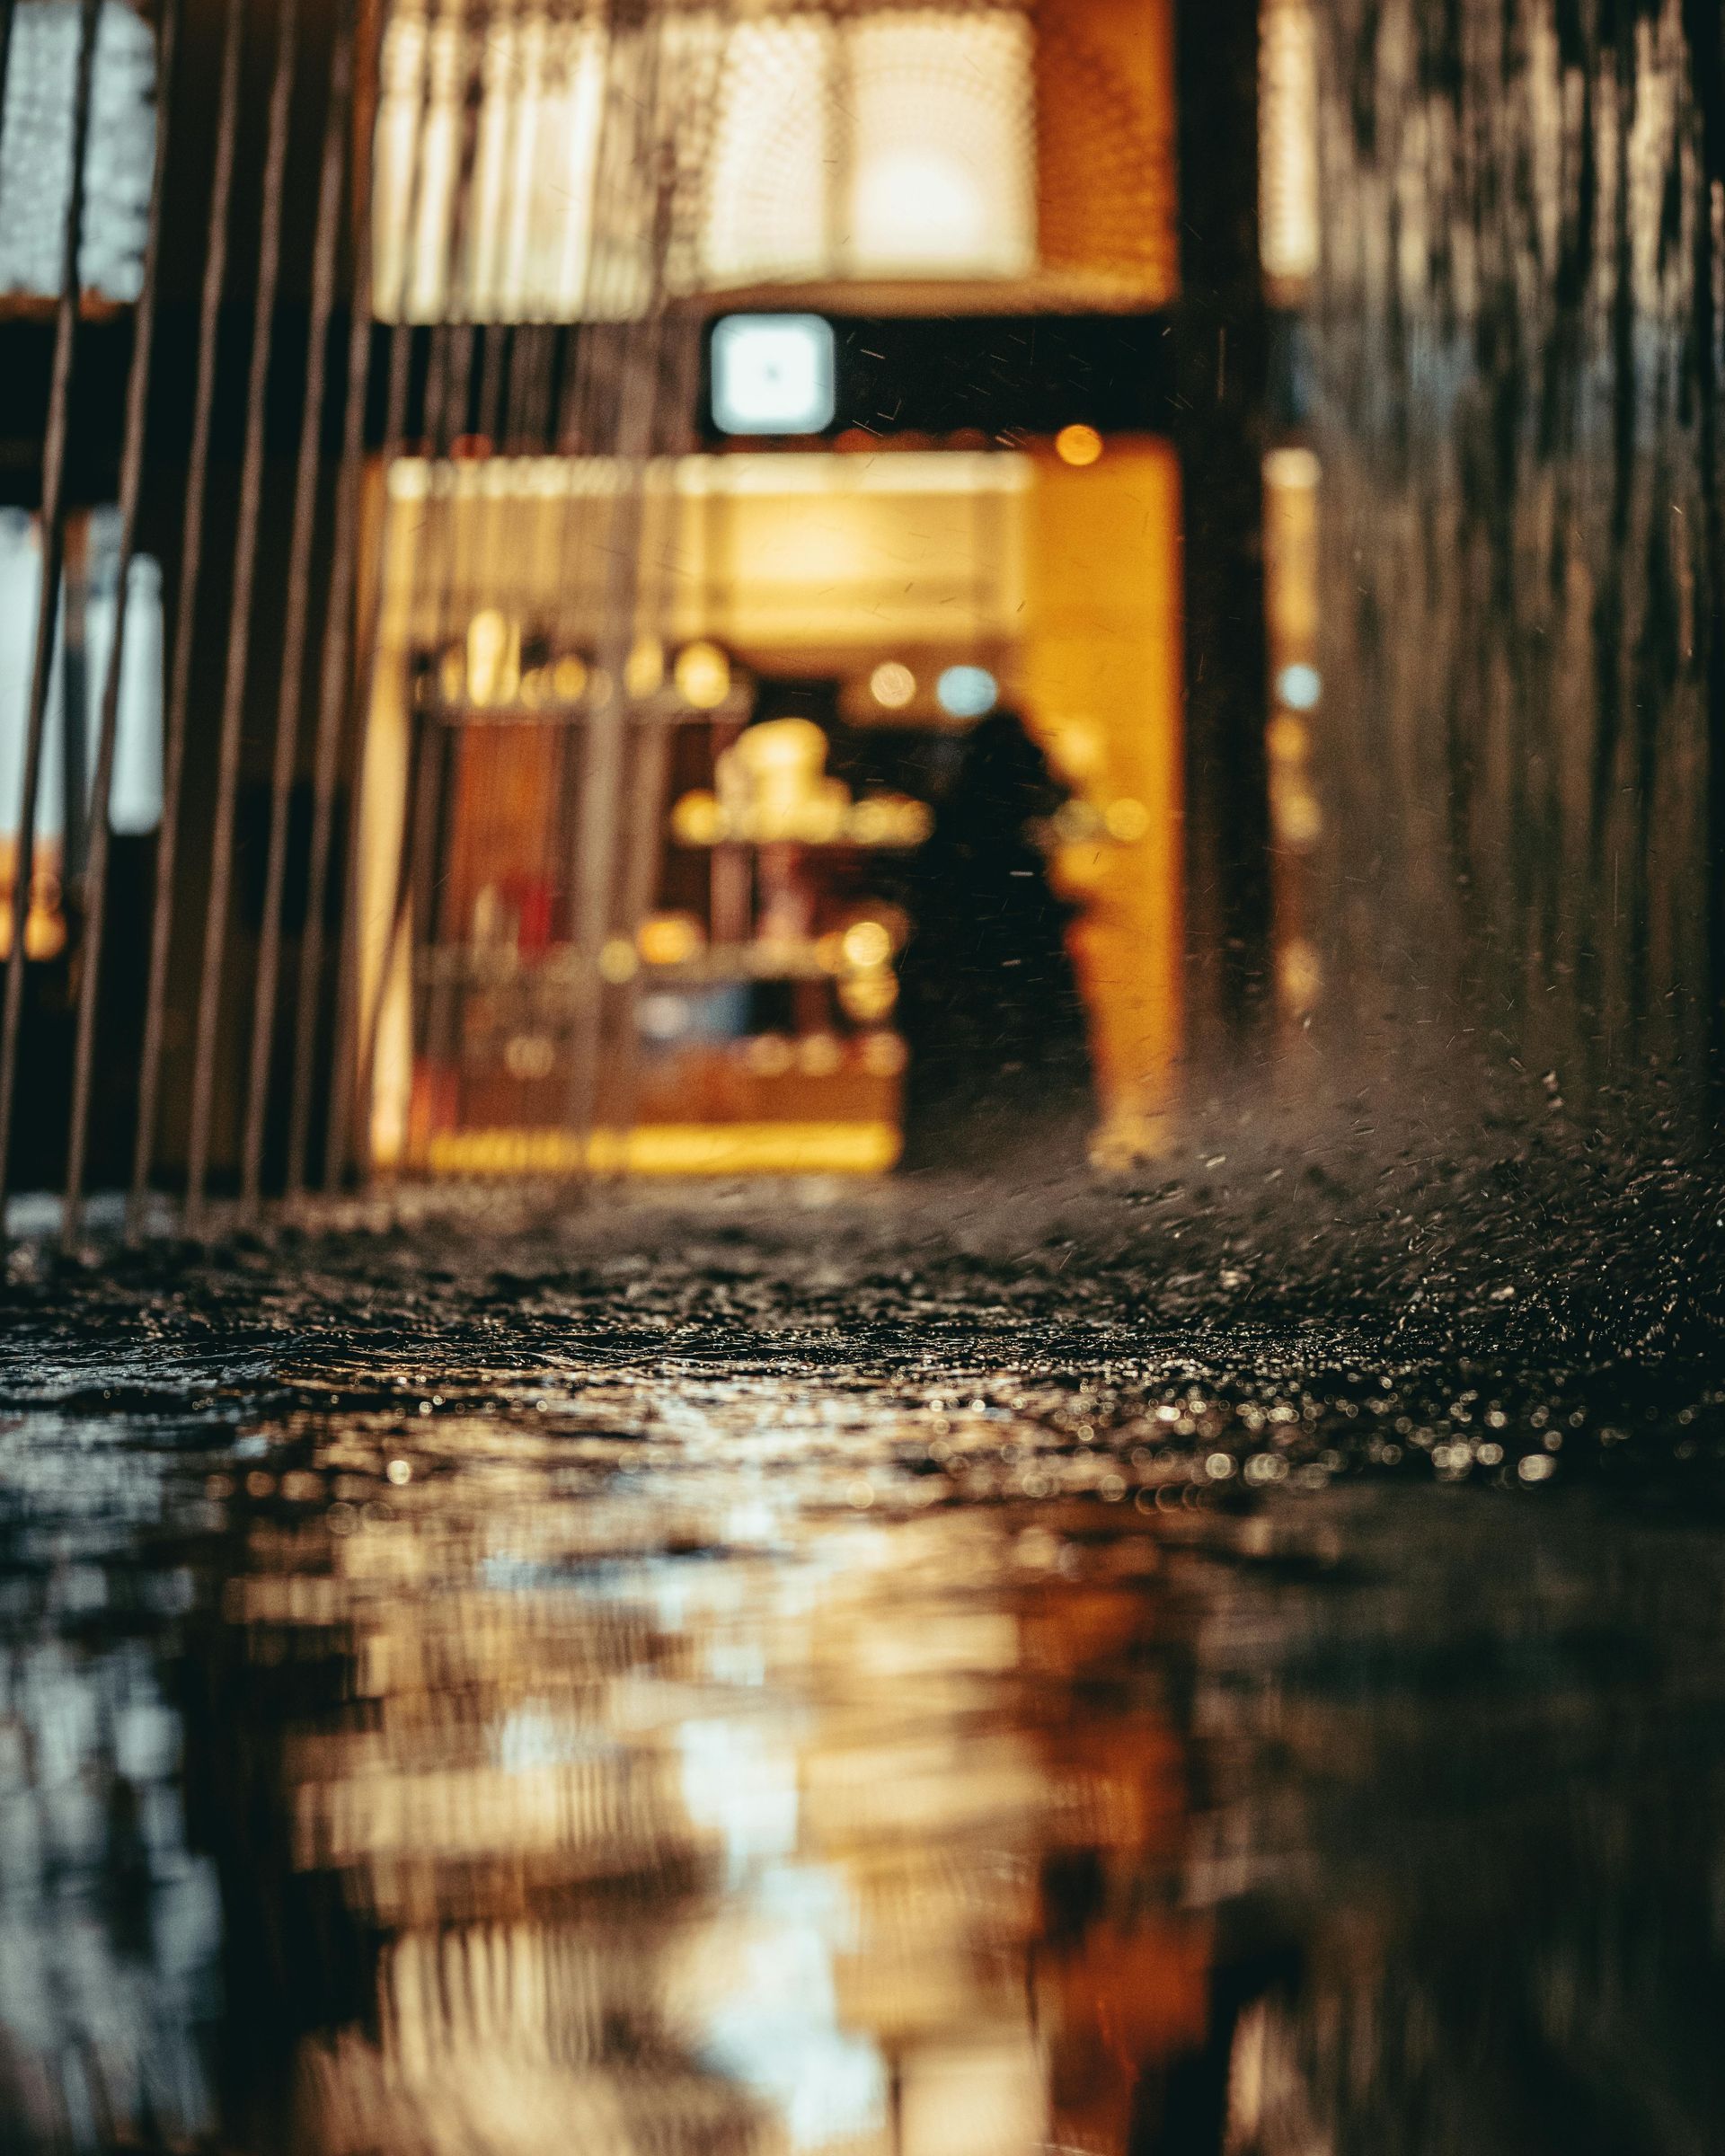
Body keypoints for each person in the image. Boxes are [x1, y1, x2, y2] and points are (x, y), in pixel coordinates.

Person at [895, 708, 1092, 1168]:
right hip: (999, 993)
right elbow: (1016, 916)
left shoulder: (954, 828)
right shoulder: (1000, 836)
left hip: (965, 996)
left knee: (967, 1095)